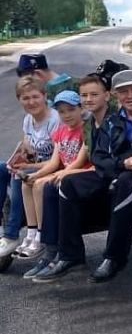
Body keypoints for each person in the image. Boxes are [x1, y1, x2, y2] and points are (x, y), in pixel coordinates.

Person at [34, 70, 132, 284]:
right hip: (117, 170)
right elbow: (99, 157)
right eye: (124, 92)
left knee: (125, 183)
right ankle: (71, 255)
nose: (130, 95)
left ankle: (114, 258)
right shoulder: (111, 121)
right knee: (68, 183)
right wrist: (122, 163)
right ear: (116, 95)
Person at [27, 75, 113, 280]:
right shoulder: (91, 123)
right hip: (94, 171)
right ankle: (48, 245)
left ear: (107, 96)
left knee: (59, 185)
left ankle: (67, 252)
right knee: (35, 182)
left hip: (103, 173)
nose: (89, 99)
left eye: (94, 95)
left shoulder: (99, 124)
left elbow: (93, 162)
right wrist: (36, 172)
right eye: (85, 95)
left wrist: (65, 172)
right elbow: (57, 161)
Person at [18, 90, 89, 260]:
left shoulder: (85, 130)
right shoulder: (61, 131)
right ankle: (32, 231)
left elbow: (79, 161)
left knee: (39, 185)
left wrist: (57, 174)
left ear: (80, 108)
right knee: (27, 183)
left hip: (79, 172)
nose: (66, 115)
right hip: (63, 170)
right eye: (62, 111)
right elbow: (54, 162)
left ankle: (43, 235)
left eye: (71, 109)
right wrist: (36, 174)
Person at [0, 77, 60, 257]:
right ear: (19, 100)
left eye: (35, 97)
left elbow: (58, 158)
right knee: (3, 169)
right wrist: (18, 158)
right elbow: (28, 147)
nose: (31, 102)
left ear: (44, 96)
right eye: (25, 98)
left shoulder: (54, 120)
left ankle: (11, 235)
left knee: (20, 175)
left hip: (54, 167)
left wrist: (24, 166)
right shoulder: (28, 120)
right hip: (34, 165)